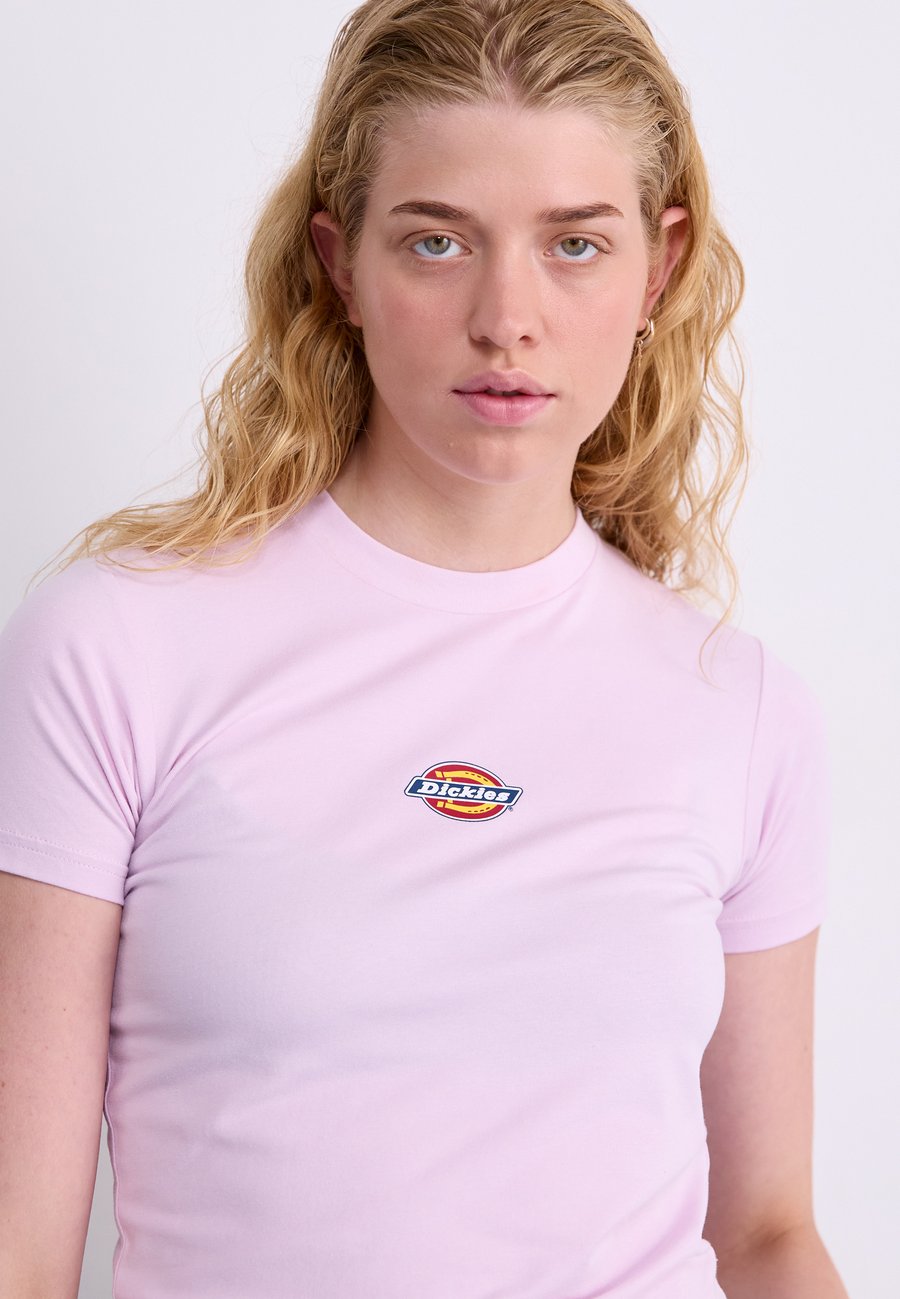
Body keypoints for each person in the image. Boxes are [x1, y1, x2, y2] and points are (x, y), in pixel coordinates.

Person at [0, 1, 849, 1296]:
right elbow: (18, 1245)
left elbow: (771, 1232)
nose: (508, 318)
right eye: (437, 241)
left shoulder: (740, 707)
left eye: (575, 244)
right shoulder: (116, 648)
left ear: (659, 267)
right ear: (339, 264)